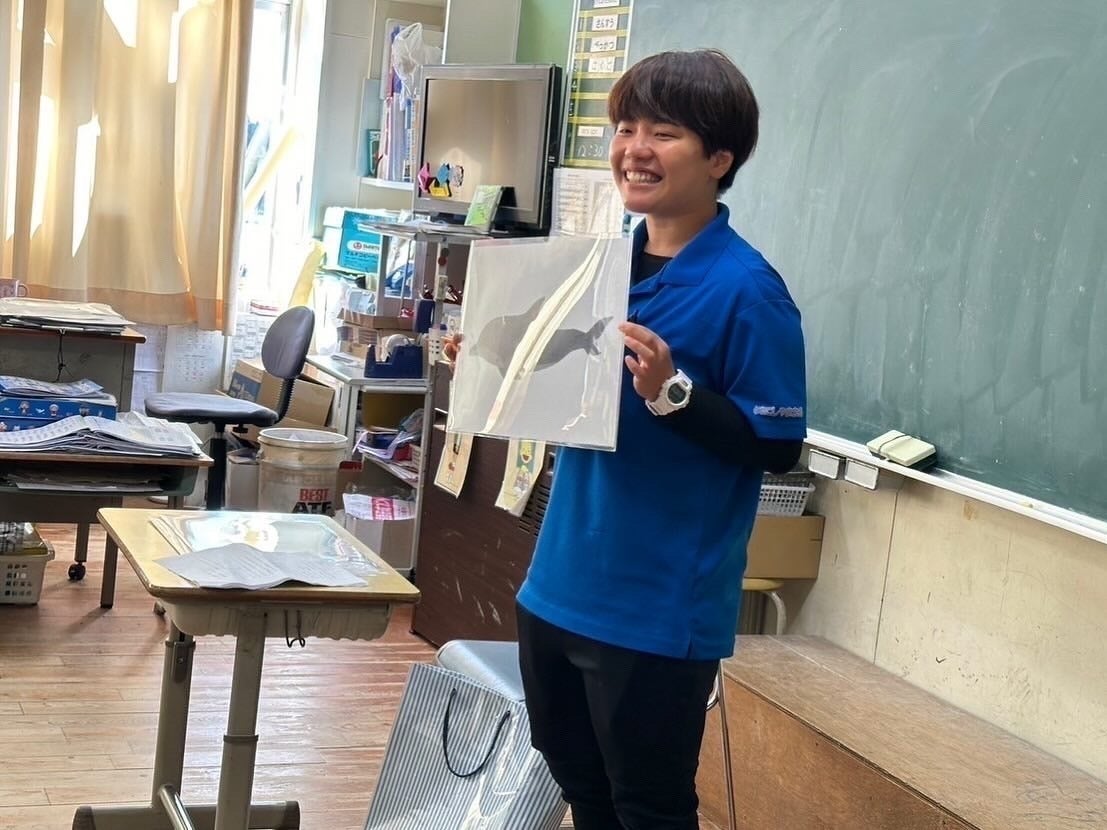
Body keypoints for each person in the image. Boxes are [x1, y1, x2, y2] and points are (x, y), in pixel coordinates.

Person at [445, 49, 807, 830]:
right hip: (558, 583)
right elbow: (556, 391)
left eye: (663, 133)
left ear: (719, 159)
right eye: (624, 128)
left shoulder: (748, 292)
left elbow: (777, 445)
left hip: (656, 606)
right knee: (579, 783)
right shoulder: (594, 267)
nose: (634, 149)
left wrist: (673, 394)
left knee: (648, 805)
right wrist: (488, 355)